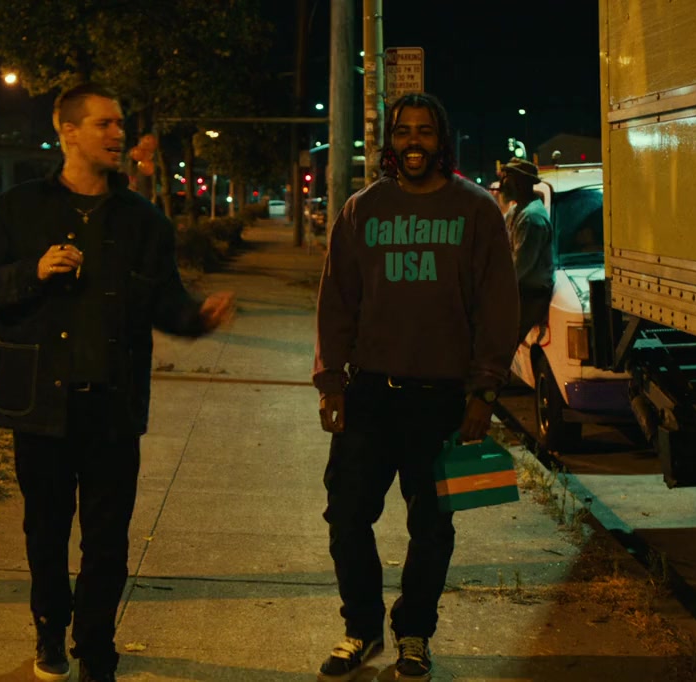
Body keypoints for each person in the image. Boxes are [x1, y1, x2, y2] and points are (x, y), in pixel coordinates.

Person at [0, 82, 235, 682]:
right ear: (68, 131)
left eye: (120, 123)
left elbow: (164, 301)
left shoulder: (144, 222)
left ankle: (97, 649)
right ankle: (49, 629)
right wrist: (32, 271)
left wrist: (198, 317)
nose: (119, 134)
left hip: (112, 406)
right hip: (41, 407)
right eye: (105, 124)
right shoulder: (18, 209)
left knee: (107, 541)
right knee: (45, 532)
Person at [311, 92, 519, 682]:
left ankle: (415, 634)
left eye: (425, 132)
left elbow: (497, 307)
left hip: (444, 400)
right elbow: (336, 302)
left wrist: (484, 391)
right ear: (391, 141)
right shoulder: (363, 209)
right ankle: (361, 627)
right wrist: (330, 382)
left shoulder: (476, 209)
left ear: (441, 140)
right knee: (346, 514)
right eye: (404, 131)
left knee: (433, 525)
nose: (413, 142)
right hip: (369, 394)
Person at [498, 158, 555, 341]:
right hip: (522, 291)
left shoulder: (531, 217)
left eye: (508, 178)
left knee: (503, 340)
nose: (503, 184)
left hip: (531, 295)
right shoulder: (516, 211)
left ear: (521, 183)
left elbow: (520, 266)